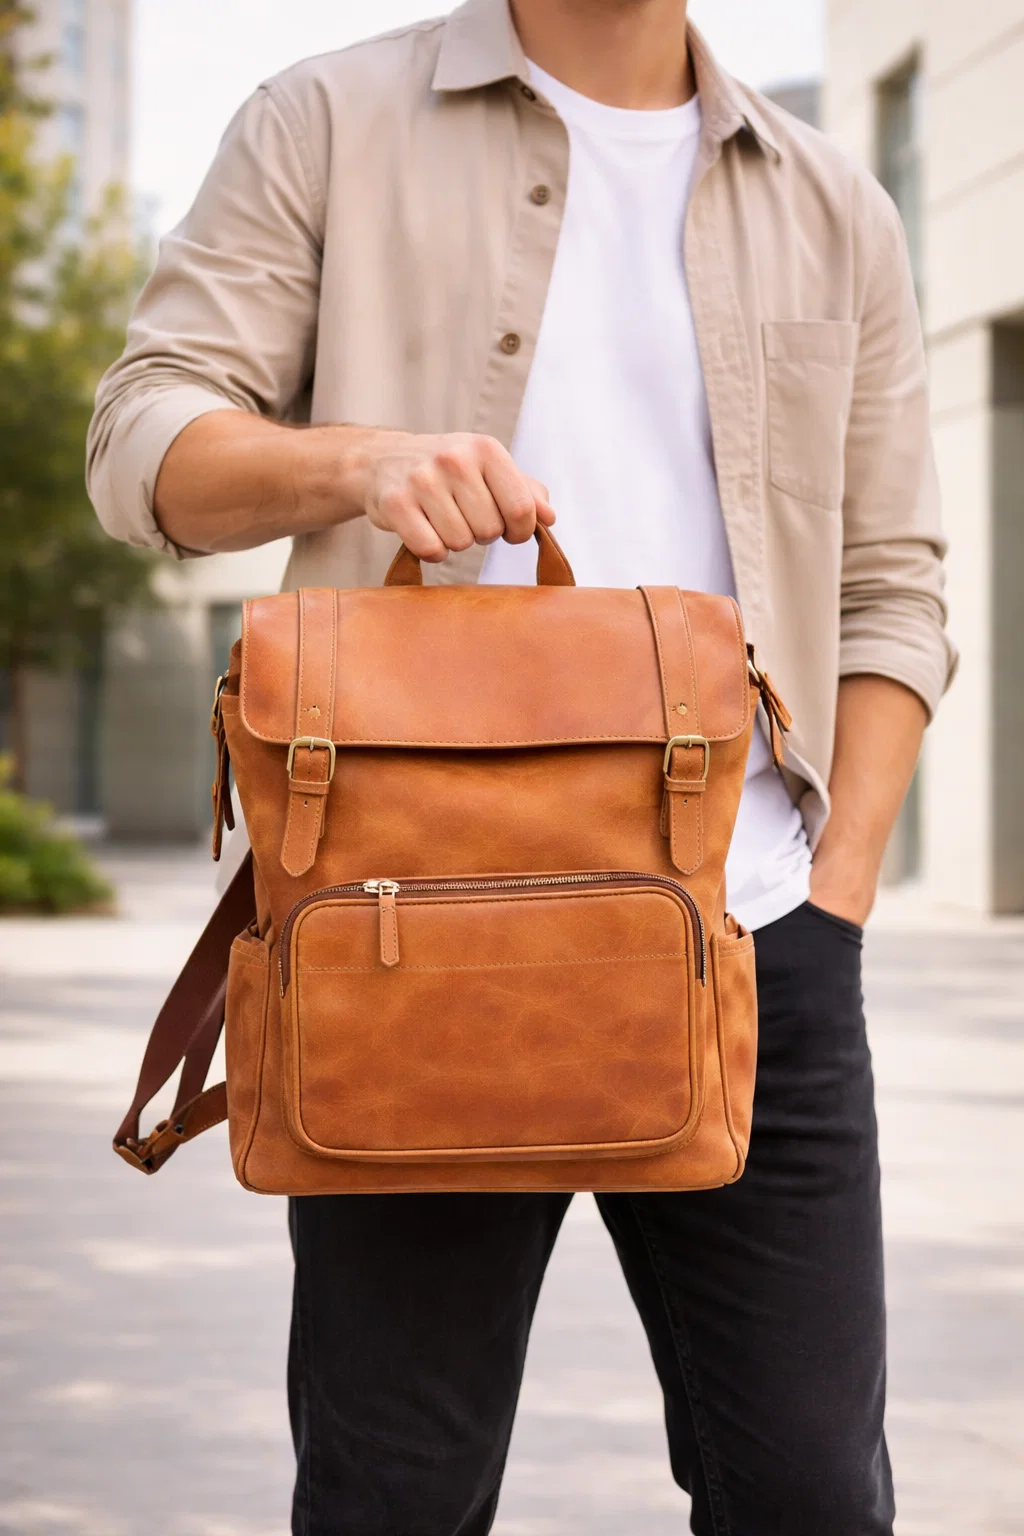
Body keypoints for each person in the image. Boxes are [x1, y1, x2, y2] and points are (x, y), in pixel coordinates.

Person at [87, 1, 956, 1531]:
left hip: (750, 939)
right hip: (404, 938)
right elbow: (142, 438)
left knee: (814, 1496)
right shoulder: (326, 120)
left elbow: (892, 586)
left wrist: (834, 893)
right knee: (393, 1496)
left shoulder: (837, 201)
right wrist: (357, 460)